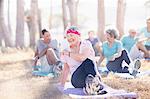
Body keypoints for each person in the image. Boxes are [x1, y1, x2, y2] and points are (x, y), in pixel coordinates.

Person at [60, 26, 104, 95]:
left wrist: (68, 54)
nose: (69, 38)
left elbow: (82, 57)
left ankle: (93, 86)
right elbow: (66, 69)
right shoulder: (66, 50)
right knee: (88, 62)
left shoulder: (86, 44)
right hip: (77, 79)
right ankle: (93, 86)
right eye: (67, 36)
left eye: (71, 35)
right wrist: (61, 86)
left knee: (88, 61)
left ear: (78, 36)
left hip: (91, 74)